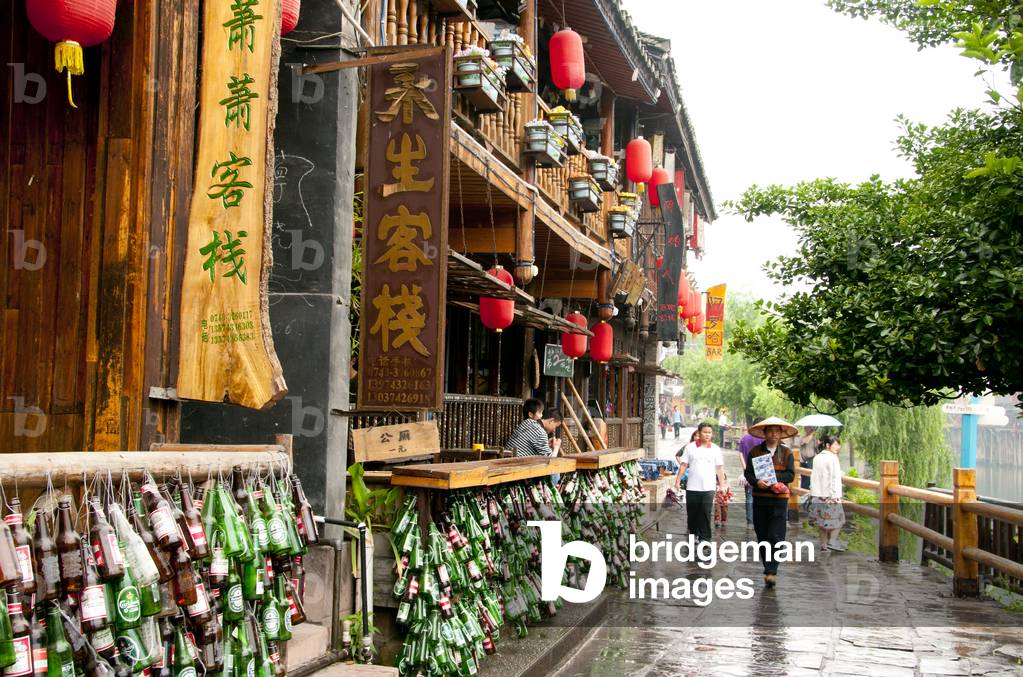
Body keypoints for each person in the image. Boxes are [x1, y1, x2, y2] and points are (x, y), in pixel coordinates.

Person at [743, 417, 797, 588]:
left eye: (777, 431)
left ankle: (772, 571)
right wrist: (757, 482)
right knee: (762, 535)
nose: (774, 434)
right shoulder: (755, 452)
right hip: (760, 499)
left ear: (781, 434)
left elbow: (790, 475)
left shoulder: (787, 453)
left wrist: (774, 479)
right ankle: (768, 567)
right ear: (764, 433)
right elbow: (748, 474)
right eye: (771, 431)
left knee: (776, 536)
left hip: (779, 500)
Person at [673, 422, 725, 543]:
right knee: (692, 513)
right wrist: (677, 481)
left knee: (706, 512)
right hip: (692, 486)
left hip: (708, 487)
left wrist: (722, 485)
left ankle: (705, 538)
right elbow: (684, 464)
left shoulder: (715, 449)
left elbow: (719, 468)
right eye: (705, 432)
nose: (707, 435)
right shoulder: (690, 447)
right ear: (699, 432)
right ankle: (694, 533)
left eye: (709, 432)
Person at [810, 435, 846, 552]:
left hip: (817, 495)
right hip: (830, 496)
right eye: (835, 444)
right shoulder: (833, 458)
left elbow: (816, 476)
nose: (838, 447)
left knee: (822, 522)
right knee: (841, 520)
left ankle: (824, 546)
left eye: (838, 444)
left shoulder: (817, 457)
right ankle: (832, 541)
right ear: (827, 445)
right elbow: (834, 477)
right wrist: (835, 496)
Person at [737, 418, 764, 528]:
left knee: (749, 496)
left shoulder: (745, 438)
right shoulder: (763, 439)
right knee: (761, 496)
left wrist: (745, 470)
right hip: (761, 470)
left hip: (748, 471)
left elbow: (740, 454)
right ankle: (759, 519)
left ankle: (750, 522)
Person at [797, 426, 818, 490]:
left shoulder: (814, 438)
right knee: (805, 479)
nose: (811, 429)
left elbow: (817, 450)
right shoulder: (802, 437)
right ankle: (803, 494)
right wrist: (812, 433)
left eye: (811, 427)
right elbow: (804, 442)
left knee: (810, 479)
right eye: (809, 427)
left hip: (811, 460)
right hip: (803, 460)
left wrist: (818, 444)